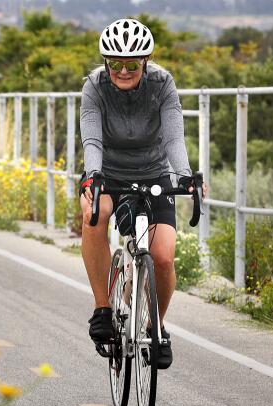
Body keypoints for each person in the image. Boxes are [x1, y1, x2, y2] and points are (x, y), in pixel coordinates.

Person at [79, 18, 205, 369]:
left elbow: (174, 138)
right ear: (105, 63)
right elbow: (92, 141)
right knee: (95, 215)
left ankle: (156, 327)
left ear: (145, 62)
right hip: (107, 171)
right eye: (115, 64)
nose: (123, 71)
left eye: (132, 65)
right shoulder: (93, 87)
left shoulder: (163, 84)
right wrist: (92, 178)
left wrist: (186, 176)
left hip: (153, 172)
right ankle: (102, 309)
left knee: (163, 257)